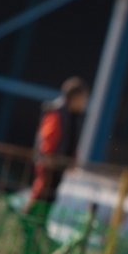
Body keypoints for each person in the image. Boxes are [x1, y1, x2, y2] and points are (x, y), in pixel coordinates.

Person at [26, 76, 89, 224]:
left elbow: (71, 141)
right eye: (83, 98)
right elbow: (47, 138)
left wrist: (73, 160)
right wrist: (48, 158)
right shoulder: (57, 113)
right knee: (41, 193)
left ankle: (38, 224)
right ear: (74, 97)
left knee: (51, 196)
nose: (85, 102)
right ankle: (27, 221)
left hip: (59, 165)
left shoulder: (74, 116)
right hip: (49, 164)